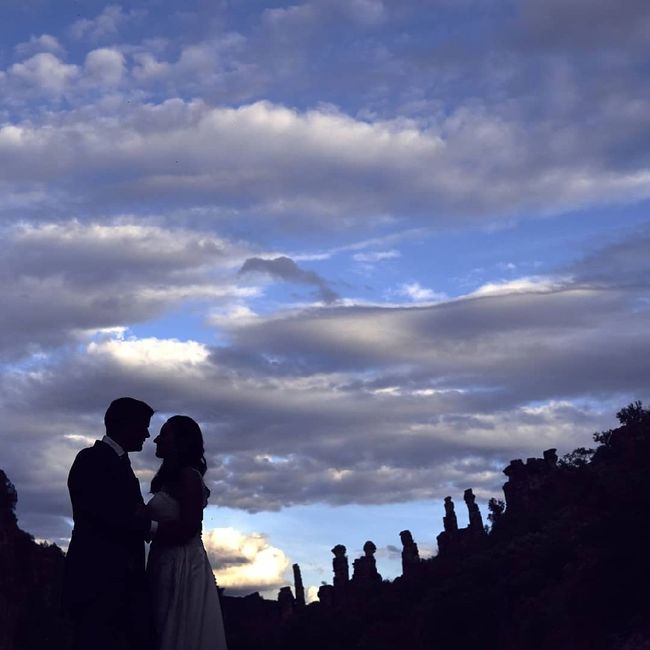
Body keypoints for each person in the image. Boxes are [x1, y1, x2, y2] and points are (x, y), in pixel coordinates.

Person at [64, 397, 156, 650]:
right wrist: (150, 526)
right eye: (144, 426)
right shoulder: (91, 459)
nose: (148, 434)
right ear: (125, 424)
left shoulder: (119, 463)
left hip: (120, 585)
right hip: (96, 580)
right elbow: (104, 514)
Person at [146, 415, 228, 650]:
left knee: (178, 630)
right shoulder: (170, 479)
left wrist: (145, 525)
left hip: (182, 566)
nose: (157, 439)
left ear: (180, 441)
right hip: (164, 561)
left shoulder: (189, 477)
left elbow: (189, 529)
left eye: (164, 434)